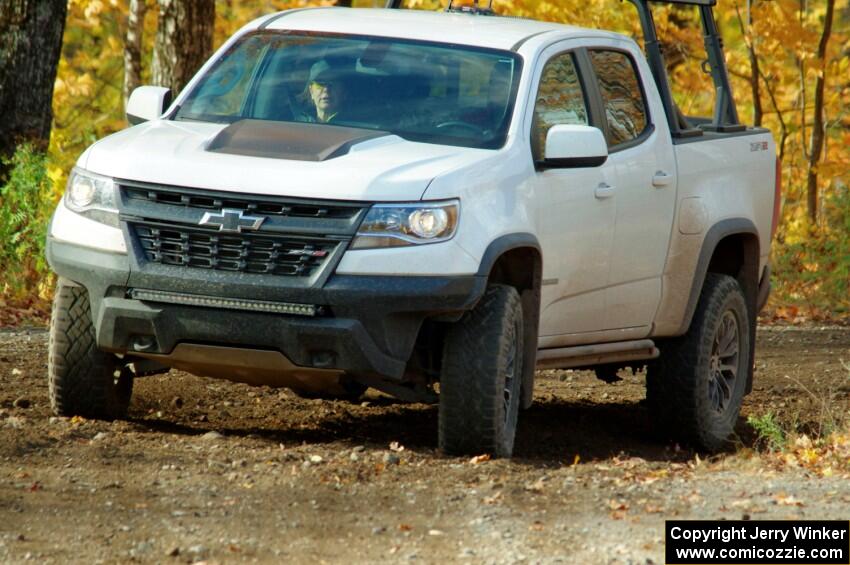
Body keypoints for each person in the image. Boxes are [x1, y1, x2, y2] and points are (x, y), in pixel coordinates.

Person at [301, 60, 349, 124]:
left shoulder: (355, 126)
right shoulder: (296, 123)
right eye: (320, 83)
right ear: (311, 91)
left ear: (344, 93)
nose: (326, 89)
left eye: (333, 83)